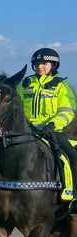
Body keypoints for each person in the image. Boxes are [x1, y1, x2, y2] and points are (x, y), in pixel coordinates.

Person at [17, 47, 77, 213]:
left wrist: (53, 124)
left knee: (72, 155)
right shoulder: (24, 84)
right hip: (25, 130)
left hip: (51, 130)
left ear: (53, 65)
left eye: (44, 63)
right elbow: (16, 108)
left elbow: (67, 110)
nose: (40, 66)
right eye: (36, 63)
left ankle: (73, 195)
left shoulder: (61, 86)